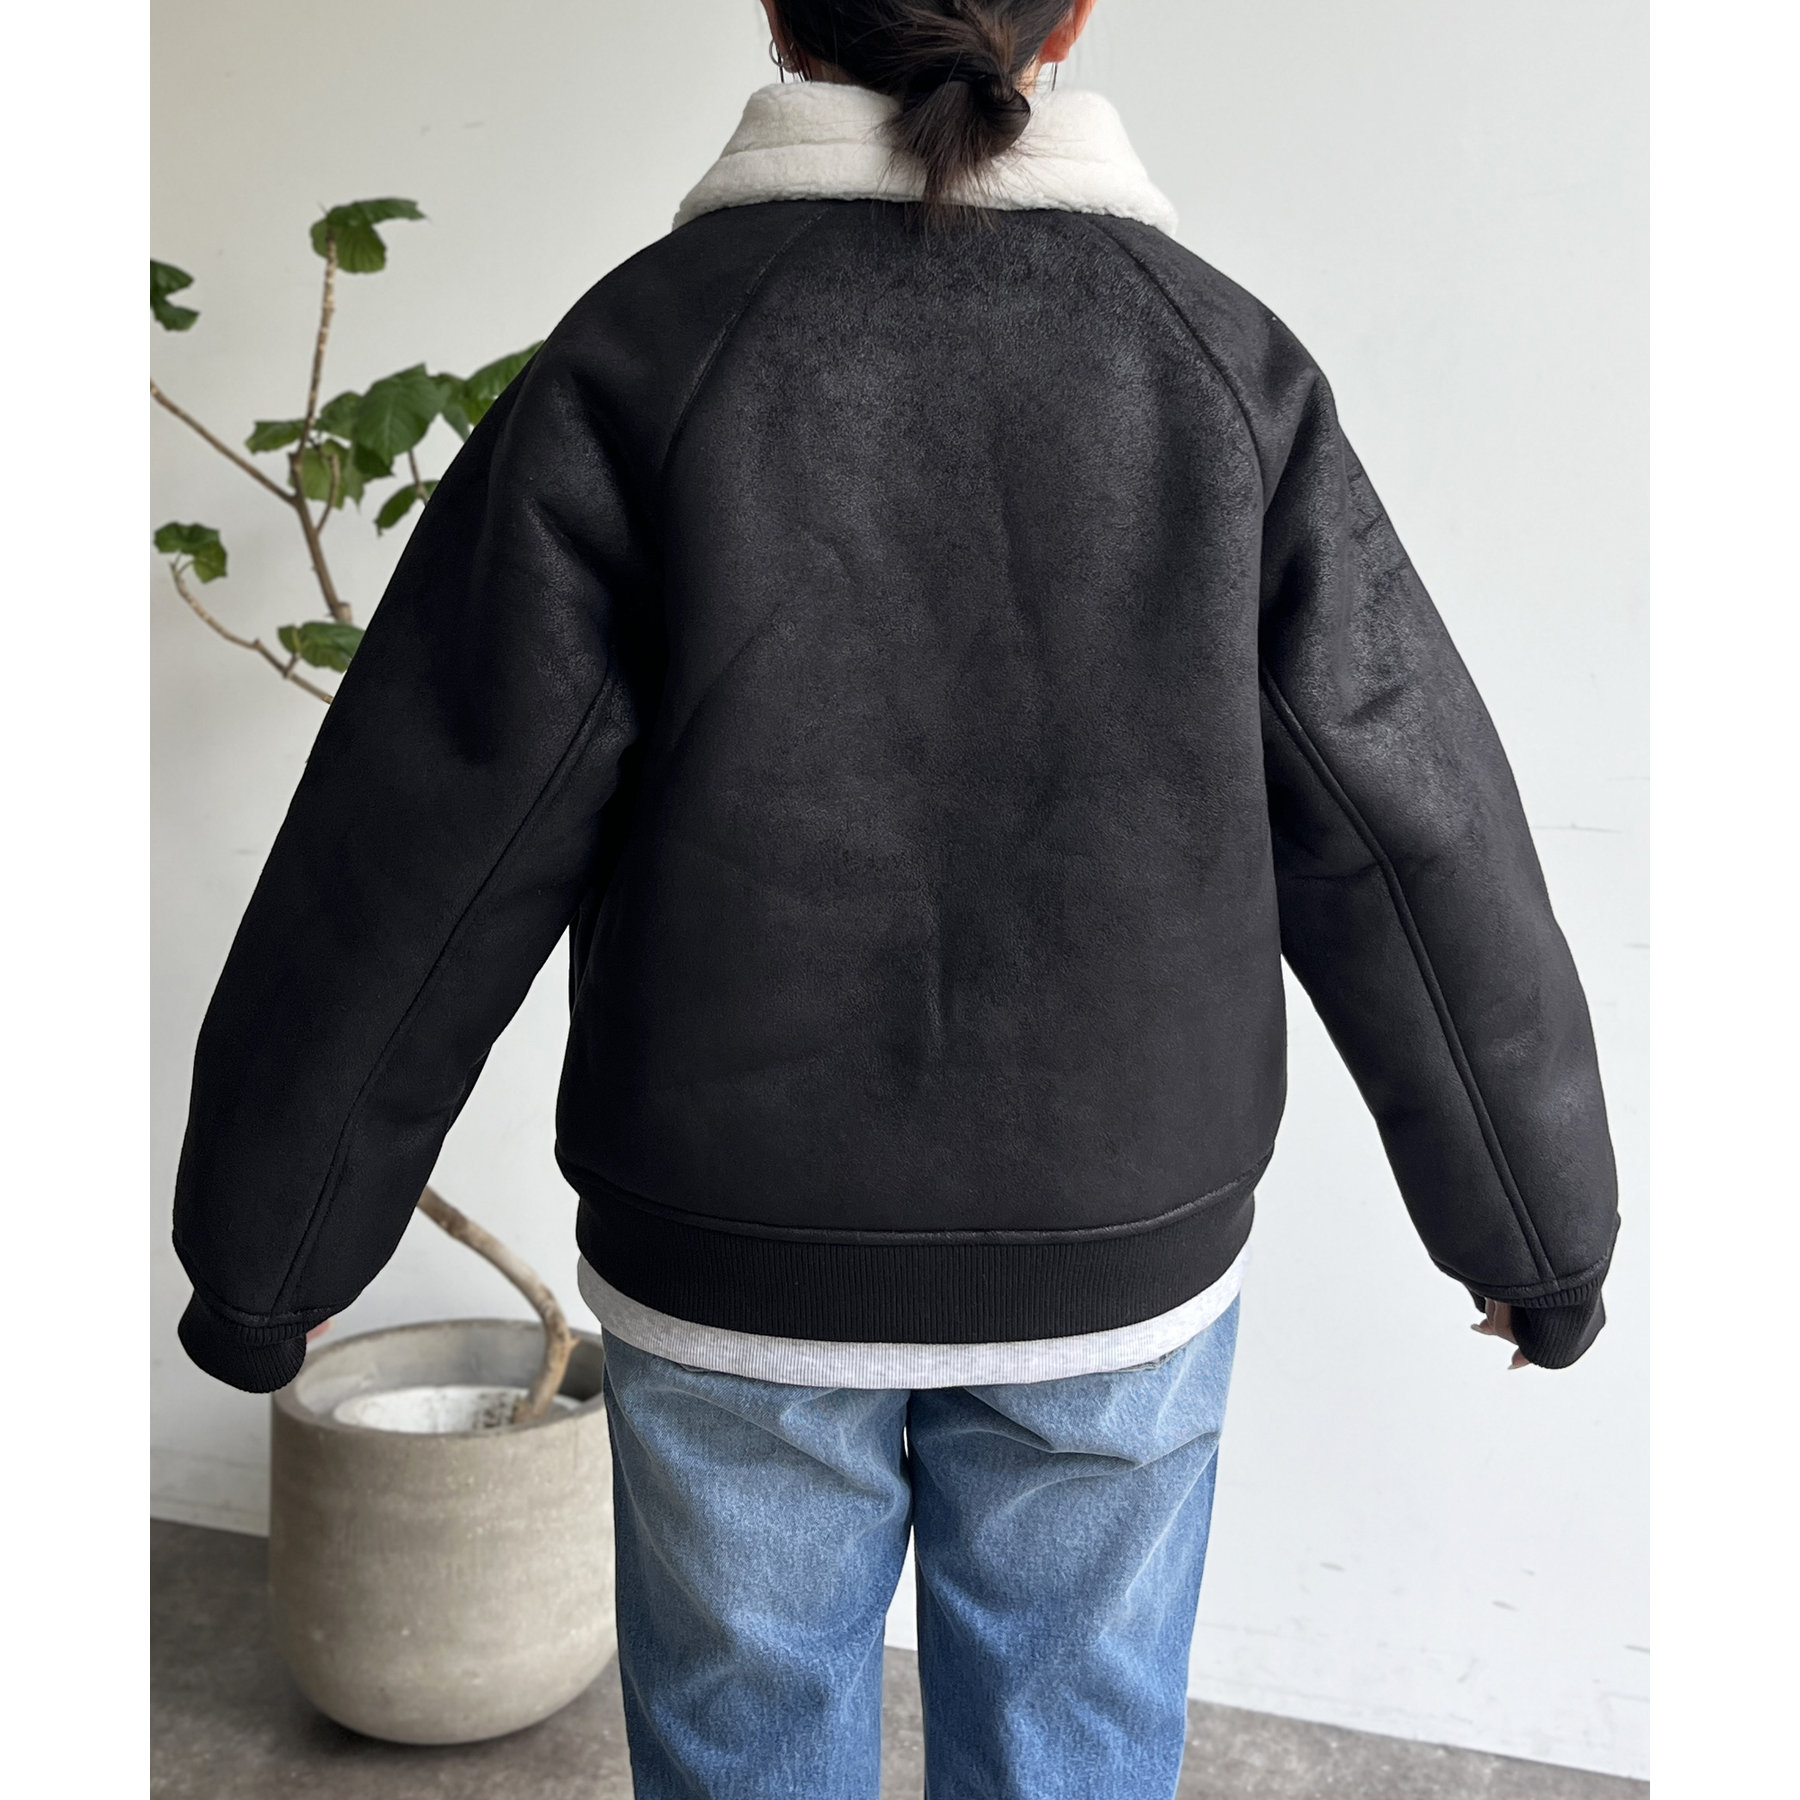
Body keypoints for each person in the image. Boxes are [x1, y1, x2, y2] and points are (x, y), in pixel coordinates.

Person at [170, 1, 1619, 1793]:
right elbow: (1411, 829)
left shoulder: (641, 354)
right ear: (1073, 19)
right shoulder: (1220, 366)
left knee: (747, 1754)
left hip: (728, 1255)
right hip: (1116, 1255)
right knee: (1076, 1753)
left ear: (782, 16)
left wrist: (274, 1249)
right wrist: (1534, 1237)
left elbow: (424, 837)